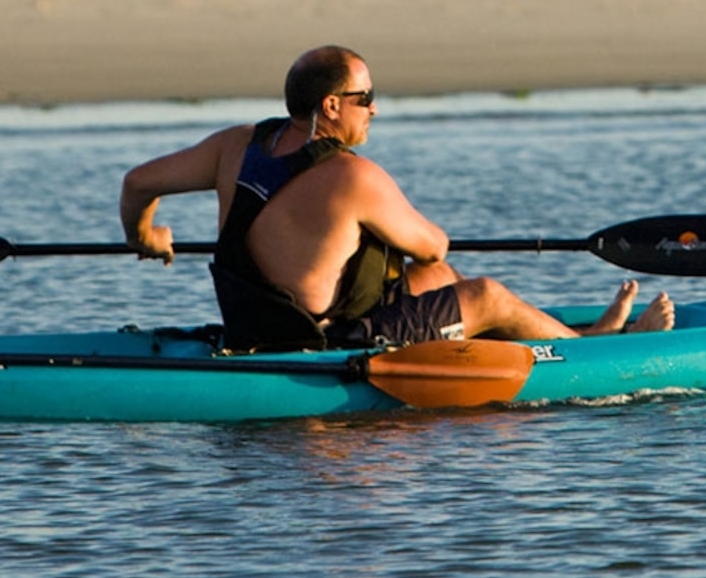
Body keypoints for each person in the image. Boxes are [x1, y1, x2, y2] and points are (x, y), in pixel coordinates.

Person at [120, 44, 674, 353]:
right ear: (332, 105)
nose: (375, 110)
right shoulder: (353, 177)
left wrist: (145, 236)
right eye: (366, 98)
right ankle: (595, 351)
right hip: (325, 343)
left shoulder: (234, 145)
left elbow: (138, 183)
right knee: (485, 295)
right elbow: (431, 243)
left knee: (440, 281)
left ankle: (570, 336)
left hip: (253, 326)